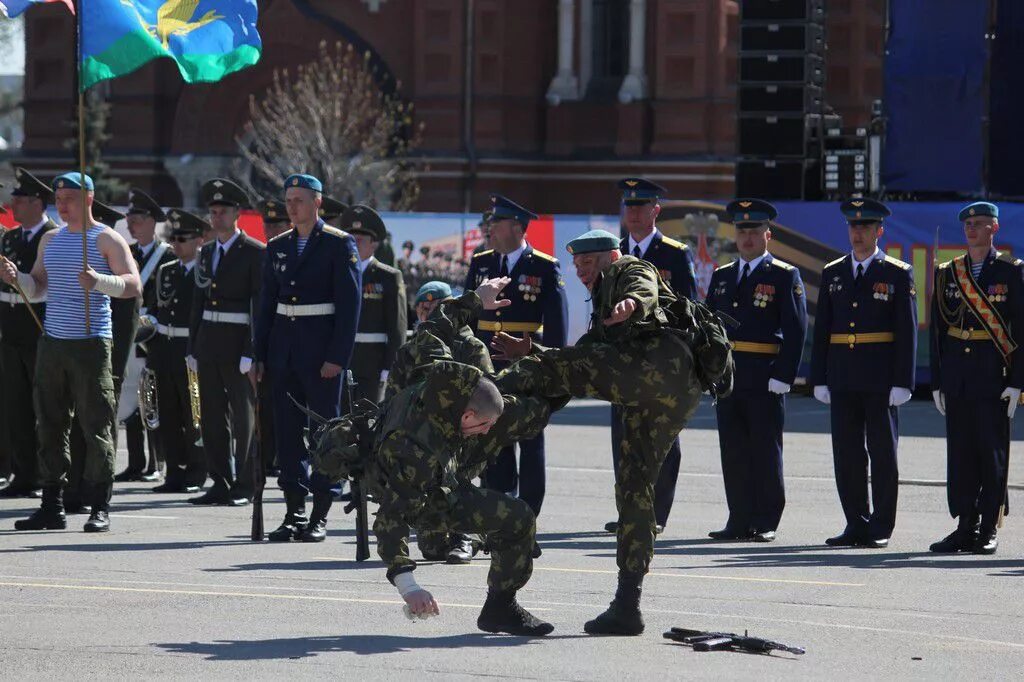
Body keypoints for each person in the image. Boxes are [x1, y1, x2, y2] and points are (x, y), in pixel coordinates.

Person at [487, 229, 704, 635]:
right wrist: (531, 349)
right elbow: (583, 354)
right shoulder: (602, 300)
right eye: (576, 264)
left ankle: (485, 408)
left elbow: (643, 287)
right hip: (671, 393)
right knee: (635, 490)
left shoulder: (627, 269)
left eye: (587, 262)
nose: (580, 271)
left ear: (608, 257)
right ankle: (627, 606)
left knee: (550, 376)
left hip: (652, 373)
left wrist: (631, 303)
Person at [369, 280, 556, 634]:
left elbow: (434, 325)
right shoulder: (416, 449)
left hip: (445, 469)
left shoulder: (441, 370)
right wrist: (410, 588)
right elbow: (389, 523)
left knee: (519, 515)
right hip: (422, 488)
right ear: (468, 417)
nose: (487, 433)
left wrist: (477, 300)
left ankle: (500, 608)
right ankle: (449, 535)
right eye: (483, 426)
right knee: (449, 535)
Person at [0, 172, 141, 532]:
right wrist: (17, 278)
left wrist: (99, 282)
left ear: (89, 199)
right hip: (52, 341)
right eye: (58, 199)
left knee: (95, 425)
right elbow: (38, 288)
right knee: (49, 424)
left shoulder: (106, 238)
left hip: (91, 342)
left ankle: (98, 505)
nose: (61, 205)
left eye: (70, 199)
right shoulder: (51, 240)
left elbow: (132, 285)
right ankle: (52, 503)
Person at [254, 173, 360, 543]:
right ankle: (294, 510)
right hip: (283, 351)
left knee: (324, 435)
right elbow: (266, 305)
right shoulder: (278, 246)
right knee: (286, 434)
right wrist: (259, 355)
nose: (292, 207)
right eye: (288, 200)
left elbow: (349, 308)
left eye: (299, 199)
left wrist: (337, 357)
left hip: (320, 355)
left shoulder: (338, 244)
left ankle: (319, 513)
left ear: (317, 202)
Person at [810, 198, 917, 548]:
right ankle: (855, 522)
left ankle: (881, 526)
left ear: (879, 231)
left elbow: (907, 330)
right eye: (854, 227)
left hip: (880, 377)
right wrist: (819, 377)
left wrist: (903, 381)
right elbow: (823, 327)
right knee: (847, 453)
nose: (858, 233)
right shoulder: (834, 272)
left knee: (883, 453)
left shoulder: (897, 273)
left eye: (865, 227)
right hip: (842, 375)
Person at [704, 199, 807, 542]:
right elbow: (708, 328)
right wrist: (708, 370)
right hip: (729, 377)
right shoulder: (722, 277)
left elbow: (795, 329)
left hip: (765, 375)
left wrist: (784, 375)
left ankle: (765, 519)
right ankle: (738, 517)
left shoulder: (782, 275)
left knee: (765, 449)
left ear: (768, 234)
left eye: (754, 231)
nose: (747, 237)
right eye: (742, 230)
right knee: (733, 451)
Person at [929, 201, 1024, 555]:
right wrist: (937, 380)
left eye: (980, 223)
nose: (972, 229)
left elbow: (1021, 329)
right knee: (961, 455)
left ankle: (988, 528)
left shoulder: (1011, 271)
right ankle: (964, 525)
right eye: (968, 224)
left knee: (990, 453)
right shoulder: (948, 272)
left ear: (994, 229)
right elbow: (938, 330)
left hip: (992, 376)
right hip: (958, 377)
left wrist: (1017, 381)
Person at [464, 195, 567, 520]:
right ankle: (497, 504)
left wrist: (548, 367)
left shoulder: (544, 266)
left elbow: (556, 327)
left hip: (525, 367)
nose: (490, 228)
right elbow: (467, 316)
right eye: (490, 222)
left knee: (530, 438)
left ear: (517, 227)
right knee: (490, 433)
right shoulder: (481, 263)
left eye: (497, 222)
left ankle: (528, 512)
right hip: (486, 365)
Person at [606, 178, 697, 535]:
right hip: (621, 360)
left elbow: (688, 309)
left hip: (661, 362)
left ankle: (656, 512)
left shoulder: (674, 253)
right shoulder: (613, 253)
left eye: (641, 206)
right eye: (629, 206)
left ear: (655, 211)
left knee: (661, 438)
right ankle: (630, 510)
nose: (633, 213)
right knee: (623, 440)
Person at [385, 280, 494, 564]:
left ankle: (465, 536)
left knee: (451, 471)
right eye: (423, 308)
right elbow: (393, 400)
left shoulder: (471, 348)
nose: (427, 313)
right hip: (422, 441)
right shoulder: (411, 350)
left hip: (464, 440)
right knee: (432, 549)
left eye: (435, 308)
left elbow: (487, 402)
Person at [187, 178, 263, 506]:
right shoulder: (205, 253)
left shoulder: (255, 252)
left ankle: (244, 484)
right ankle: (219, 480)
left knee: (244, 420)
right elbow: (198, 303)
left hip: (237, 345)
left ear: (236, 214)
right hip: (208, 344)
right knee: (212, 417)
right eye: (213, 211)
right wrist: (192, 347)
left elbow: (259, 305)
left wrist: (251, 350)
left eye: (222, 211)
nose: (216, 216)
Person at [0, 168, 55, 499]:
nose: (14, 204)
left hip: (38, 330)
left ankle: (43, 474)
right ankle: (22, 474)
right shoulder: (10, 238)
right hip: (10, 331)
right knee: (15, 406)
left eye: (20, 199)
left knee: (43, 408)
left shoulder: (51, 235)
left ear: (37, 202)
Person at [116, 187, 175, 483]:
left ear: (152, 221)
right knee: (131, 400)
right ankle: (136, 462)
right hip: (131, 338)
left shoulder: (167, 257)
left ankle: (157, 463)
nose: (131, 224)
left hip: (155, 340)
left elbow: (171, 299)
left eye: (137, 218)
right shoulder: (128, 254)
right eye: (129, 218)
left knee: (152, 402)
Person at [148, 209, 208, 494]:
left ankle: (197, 471)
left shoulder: (206, 271)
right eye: (173, 238)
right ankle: (173, 472)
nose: (176, 244)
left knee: (194, 414)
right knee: (169, 414)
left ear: (199, 240)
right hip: (165, 348)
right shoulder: (166, 271)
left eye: (182, 238)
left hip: (191, 349)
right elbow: (154, 309)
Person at [342, 205, 406, 405]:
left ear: (374, 244)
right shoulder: (338, 273)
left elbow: (397, 328)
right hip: (341, 361)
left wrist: (389, 368)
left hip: (373, 364)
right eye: (352, 239)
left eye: (361, 239)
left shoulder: (388, 276)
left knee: (368, 424)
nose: (356, 243)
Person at [257, 198, 290, 475]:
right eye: (267, 224)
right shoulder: (263, 255)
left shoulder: (292, 254)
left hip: (290, 341)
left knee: (288, 407)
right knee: (266, 405)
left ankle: (283, 457)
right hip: (267, 340)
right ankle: (267, 458)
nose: (270, 229)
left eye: (277, 224)